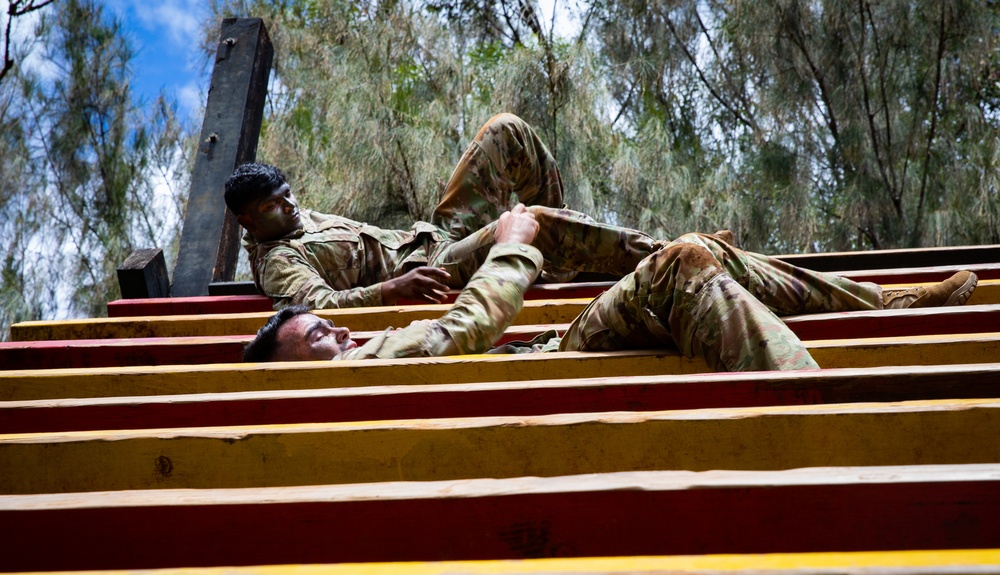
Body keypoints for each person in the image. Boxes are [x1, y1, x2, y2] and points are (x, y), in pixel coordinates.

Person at [242, 204, 979, 372]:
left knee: (701, 253)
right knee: (683, 261)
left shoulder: (359, 361)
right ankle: (821, 418)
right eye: (315, 335)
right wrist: (510, 254)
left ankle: (886, 302)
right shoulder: (361, 371)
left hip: (547, 348)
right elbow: (457, 331)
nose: (333, 330)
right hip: (545, 361)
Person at [224, 113, 662, 310]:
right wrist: (393, 289)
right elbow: (320, 305)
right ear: (248, 221)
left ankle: (567, 253)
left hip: (435, 239)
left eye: (287, 194)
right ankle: (662, 256)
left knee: (505, 131)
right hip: (435, 269)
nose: (289, 206)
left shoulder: (295, 221)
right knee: (529, 225)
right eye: (272, 206)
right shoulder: (279, 261)